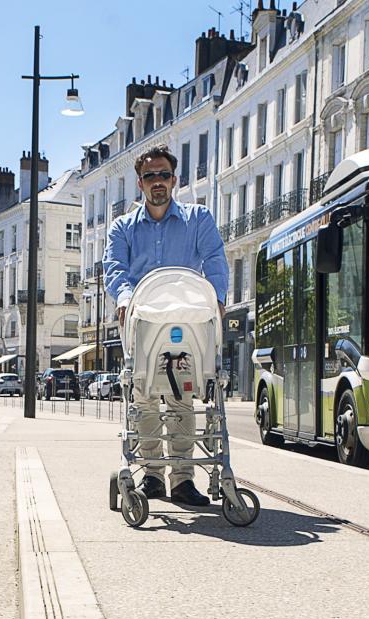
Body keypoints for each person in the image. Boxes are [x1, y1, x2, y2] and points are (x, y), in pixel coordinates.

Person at [102, 144, 229, 506]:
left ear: (174, 180)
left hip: (186, 319)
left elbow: (215, 259)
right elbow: (115, 269)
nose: (157, 181)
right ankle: (153, 476)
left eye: (163, 174)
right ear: (139, 184)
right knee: (143, 398)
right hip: (142, 320)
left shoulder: (197, 220)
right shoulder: (123, 228)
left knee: (180, 396)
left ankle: (183, 479)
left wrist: (217, 298)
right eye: (149, 176)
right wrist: (125, 299)